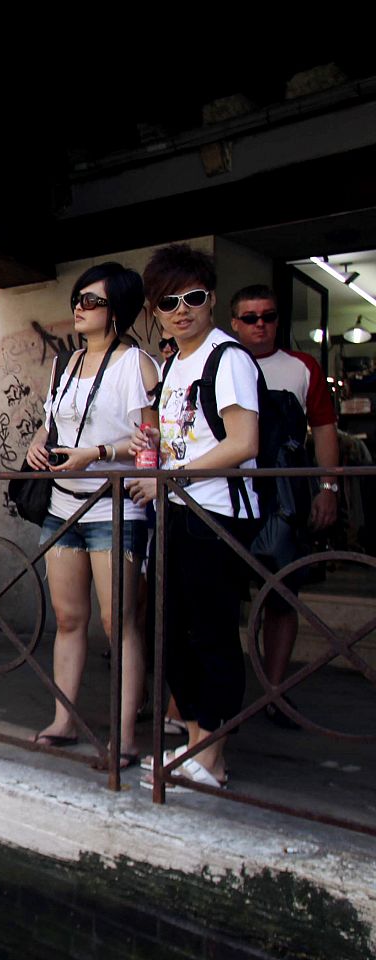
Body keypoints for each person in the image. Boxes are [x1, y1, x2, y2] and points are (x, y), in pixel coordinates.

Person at [128, 244, 259, 787]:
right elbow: (178, 436)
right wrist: (150, 451)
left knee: (212, 634)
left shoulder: (227, 358)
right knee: (168, 631)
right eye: (167, 301)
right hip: (179, 512)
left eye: (194, 298)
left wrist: (172, 476)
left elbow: (243, 442)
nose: (181, 309)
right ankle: (197, 743)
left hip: (219, 513)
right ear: (155, 311)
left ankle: (212, 756)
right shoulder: (175, 362)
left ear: (211, 300)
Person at [23, 262, 159, 760]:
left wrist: (98, 454)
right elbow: (53, 421)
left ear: (117, 309)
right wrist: (41, 442)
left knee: (117, 621)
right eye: (77, 299)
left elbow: (151, 445)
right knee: (67, 616)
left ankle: (123, 735)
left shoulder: (136, 364)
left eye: (93, 301)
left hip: (114, 509)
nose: (80, 308)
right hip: (63, 506)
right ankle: (63, 718)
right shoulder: (65, 363)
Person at [229, 284, 339, 727]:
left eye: (268, 316)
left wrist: (329, 487)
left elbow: (325, 428)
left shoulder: (301, 366)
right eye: (251, 317)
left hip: (286, 498)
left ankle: (275, 692)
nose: (260, 325)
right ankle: (217, 697)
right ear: (235, 323)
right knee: (218, 596)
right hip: (228, 495)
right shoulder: (219, 362)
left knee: (282, 595)